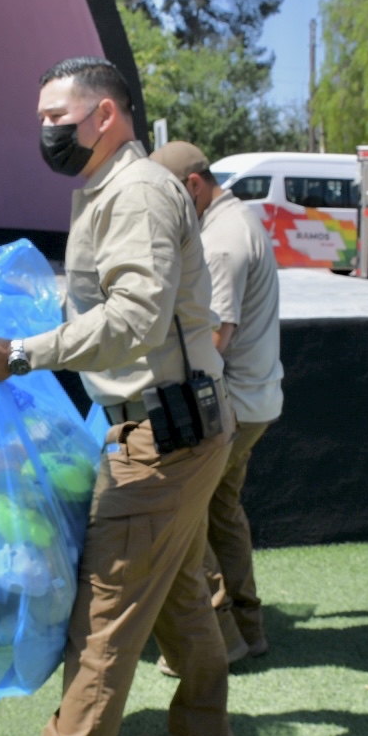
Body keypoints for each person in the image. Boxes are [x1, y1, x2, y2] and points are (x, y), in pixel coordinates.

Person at [0, 58, 236, 736]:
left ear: (104, 114)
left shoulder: (137, 192)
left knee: (103, 627)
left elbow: (137, 317)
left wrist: (24, 353)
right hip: (181, 429)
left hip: (161, 436)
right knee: (180, 598)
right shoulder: (117, 189)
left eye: (57, 117)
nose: (46, 133)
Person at [149, 141, 283, 670]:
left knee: (181, 513)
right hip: (254, 400)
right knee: (221, 512)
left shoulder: (221, 243)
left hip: (233, 404)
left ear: (193, 186)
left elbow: (213, 341)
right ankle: (248, 626)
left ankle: (219, 636)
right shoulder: (239, 220)